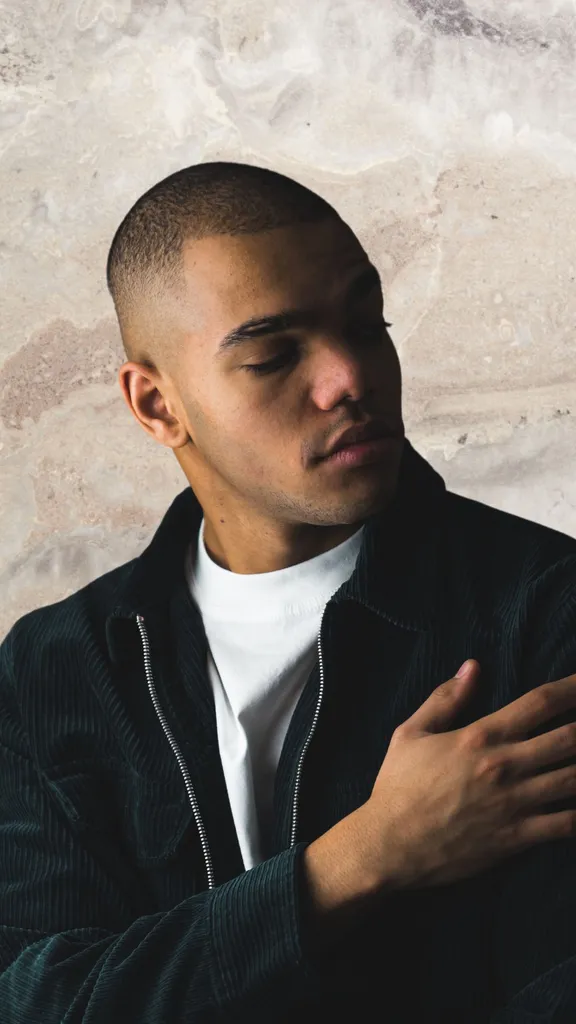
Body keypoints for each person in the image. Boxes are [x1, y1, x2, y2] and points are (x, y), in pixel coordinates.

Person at [1, 161, 576, 1024]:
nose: (351, 376)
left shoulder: (544, 610)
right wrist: (364, 858)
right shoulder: (54, 669)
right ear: (158, 406)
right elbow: (38, 1001)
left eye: (367, 322)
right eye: (272, 355)